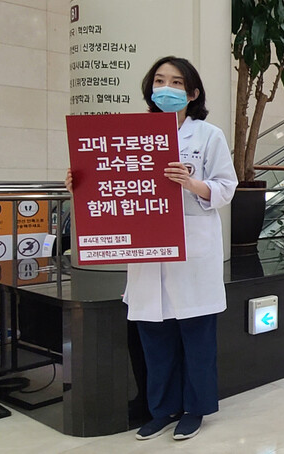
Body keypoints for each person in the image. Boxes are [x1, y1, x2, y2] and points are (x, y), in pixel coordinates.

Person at [67, 56, 237, 441]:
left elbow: (227, 187)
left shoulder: (208, 135)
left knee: (196, 334)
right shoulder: (129, 132)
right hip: (146, 248)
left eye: (177, 83)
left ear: (192, 93)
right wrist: (80, 180)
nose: (167, 88)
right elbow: (109, 179)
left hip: (192, 246)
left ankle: (195, 408)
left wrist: (192, 184)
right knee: (153, 334)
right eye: (160, 80)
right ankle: (161, 409)